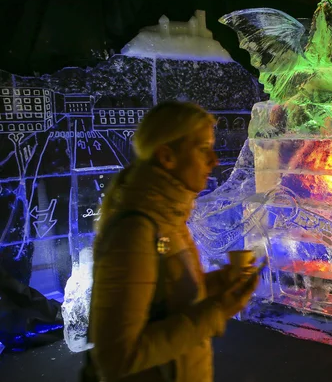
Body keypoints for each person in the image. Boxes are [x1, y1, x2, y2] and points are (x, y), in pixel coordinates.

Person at [88, 101, 259, 381]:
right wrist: (217, 312)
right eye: (203, 149)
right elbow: (116, 358)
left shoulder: (168, 217)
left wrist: (219, 284)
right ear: (167, 156)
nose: (214, 161)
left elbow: (165, 297)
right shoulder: (136, 231)